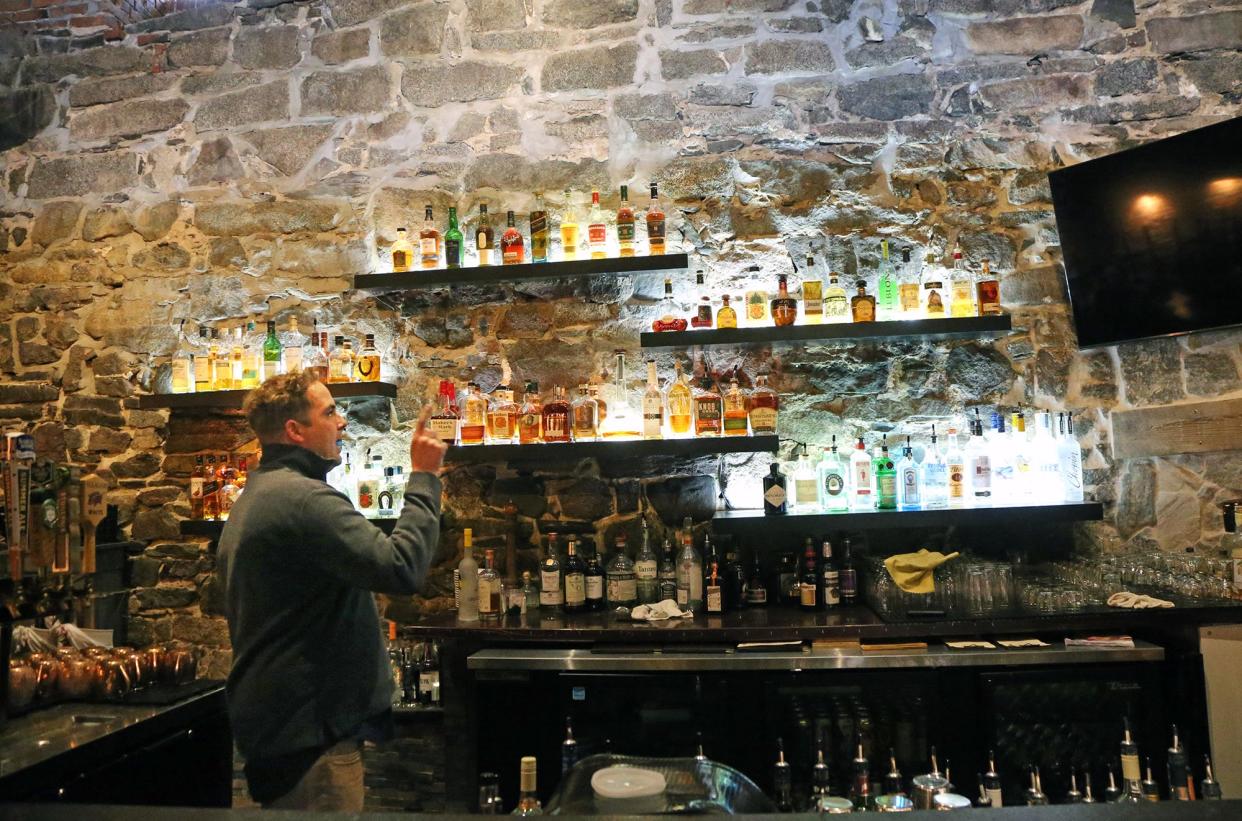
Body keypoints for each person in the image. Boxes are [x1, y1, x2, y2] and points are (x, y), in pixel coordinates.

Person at [217, 371, 447, 810]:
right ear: (294, 430)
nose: (342, 422)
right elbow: (402, 569)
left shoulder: (262, 493)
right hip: (310, 734)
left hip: (285, 725)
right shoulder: (304, 501)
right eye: (329, 412)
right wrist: (424, 478)